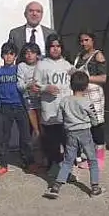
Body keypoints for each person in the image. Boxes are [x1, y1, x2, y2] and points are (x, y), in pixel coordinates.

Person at [45, 71, 102, 199]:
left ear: (71, 86)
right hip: (85, 133)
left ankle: (56, 186)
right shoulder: (87, 102)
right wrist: (93, 124)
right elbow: (94, 118)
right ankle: (95, 187)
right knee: (92, 159)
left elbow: (59, 118)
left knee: (68, 160)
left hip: (70, 133)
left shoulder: (64, 101)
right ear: (86, 87)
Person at [0, 42, 34, 176]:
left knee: (26, 137)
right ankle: (3, 164)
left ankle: (28, 163)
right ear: (2, 55)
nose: (8, 57)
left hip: (21, 106)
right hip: (5, 108)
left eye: (11, 54)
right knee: (4, 138)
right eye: (6, 54)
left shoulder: (19, 70)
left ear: (15, 56)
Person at [34, 34, 74, 177]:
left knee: (68, 142)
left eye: (58, 46)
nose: (55, 49)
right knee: (52, 143)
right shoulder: (41, 64)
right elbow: (34, 86)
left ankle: (68, 170)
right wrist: (46, 88)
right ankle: (54, 167)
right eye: (52, 46)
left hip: (65, 111)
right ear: (48, 48)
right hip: (49, 111)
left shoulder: (67, 65)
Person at [73, 30, 107, 170]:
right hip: (81, 94)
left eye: (86, 40)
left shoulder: (98, 55)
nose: (84, 43)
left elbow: (103, 78)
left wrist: (86, 78)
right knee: (84, 125)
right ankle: (88, 155)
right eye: (81, 41)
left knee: (96, 124)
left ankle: (100, 158)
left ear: (93, 40)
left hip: (94, 94)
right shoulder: (79, 56)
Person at [17, 42, 42, 138]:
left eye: (32, 52)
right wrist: (28, 85)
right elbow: (20, 85)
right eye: (27, 53)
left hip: (42, 98)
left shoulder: (42, 64)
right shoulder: (21, 66)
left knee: (43, 126)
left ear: (37, 54)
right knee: (36, 131)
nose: (29, 55)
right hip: (29, 100)